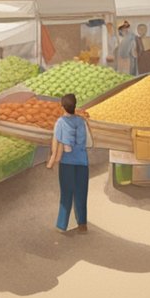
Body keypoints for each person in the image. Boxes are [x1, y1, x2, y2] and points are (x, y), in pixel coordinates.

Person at [47, 93, 89, 234]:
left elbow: (56, 144)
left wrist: (52, 160)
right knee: (81, 193)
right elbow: (86, 142)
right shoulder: (82, 122)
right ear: (75, 106)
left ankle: (62, 225)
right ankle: (82, 224)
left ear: (62, 106)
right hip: (82, 162)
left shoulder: (60, 122)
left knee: (66, 193)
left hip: (67, 163)